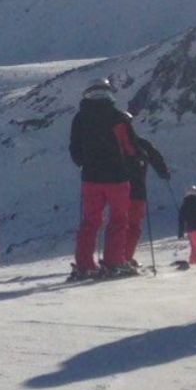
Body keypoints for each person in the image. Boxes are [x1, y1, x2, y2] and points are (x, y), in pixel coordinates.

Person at [68, 78, 139, 280]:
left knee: (89, 222)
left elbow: (75, 149)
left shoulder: (80, 118)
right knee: (118, 220)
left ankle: (84, 265)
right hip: (117, 177)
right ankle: (114, 262)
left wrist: (85, 163)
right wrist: (132, 164)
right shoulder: (117, 117)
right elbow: (130, 148)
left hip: (90, 178)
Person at [120, 123, 170, 274]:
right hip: (137, 191)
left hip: (116, 191)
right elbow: (156, 158)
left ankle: (114, 258)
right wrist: (164, 173)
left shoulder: (112, 144)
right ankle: (125, 258)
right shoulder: (141, 143)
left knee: (118, 225)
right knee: (133, 226)